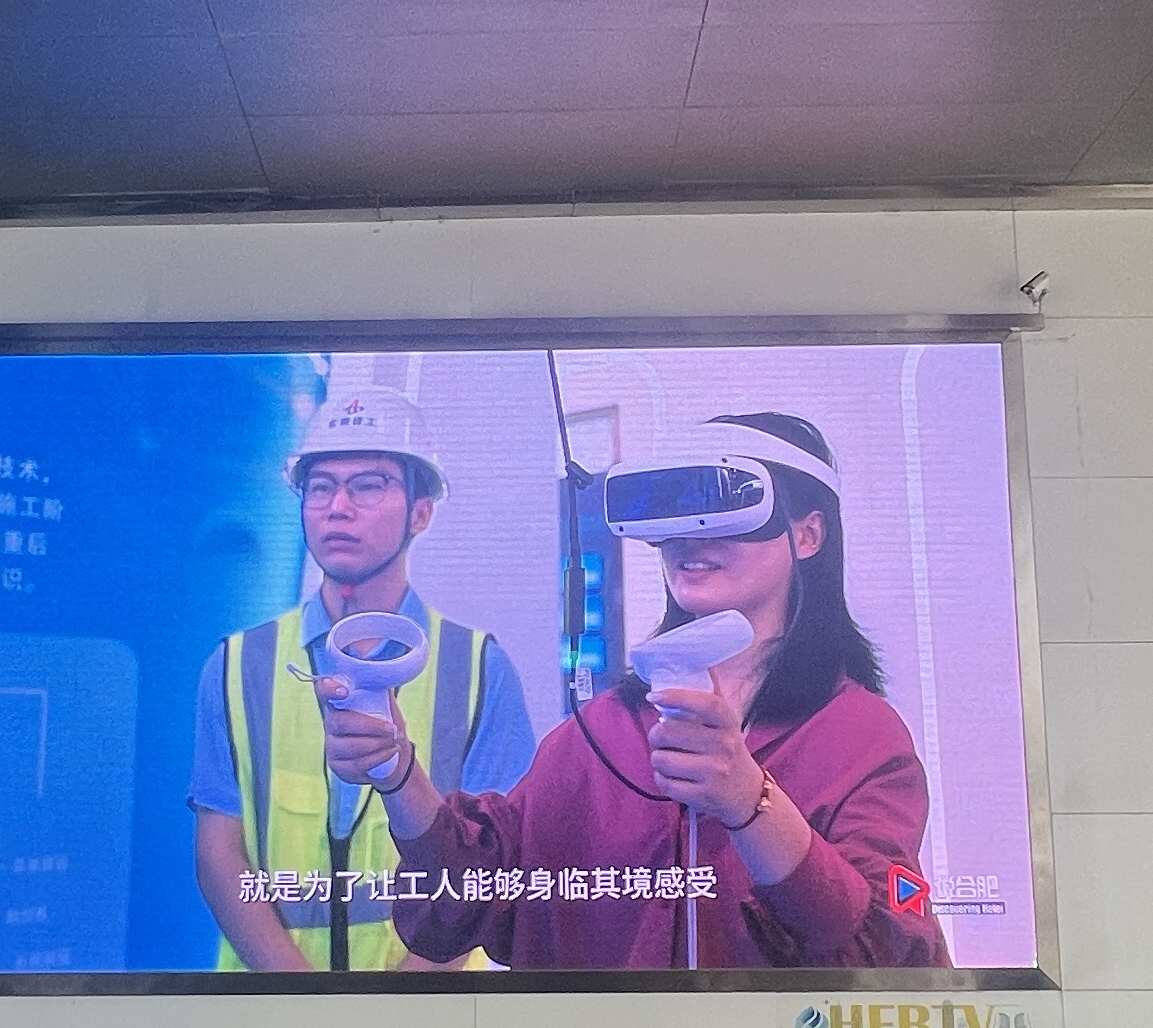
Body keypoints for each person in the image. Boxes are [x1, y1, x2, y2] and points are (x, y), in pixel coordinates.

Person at [350, 412, 951, 971]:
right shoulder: (602, 734)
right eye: (674, 512)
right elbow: (460, 906)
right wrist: (398, 773)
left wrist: (750, 802)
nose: (691, 538)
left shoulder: (859, 736)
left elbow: (884, 955)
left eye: (725, 505)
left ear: (808, 534)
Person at [193, 383, 536, 971]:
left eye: (369, 485)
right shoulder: (235, 664)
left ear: (421, 512)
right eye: (320, 487)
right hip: (270, 1009)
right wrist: (304, 998)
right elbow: (219, 853)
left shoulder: (480, 666)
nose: (338, 507)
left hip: (434, 1012)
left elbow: (499, 864)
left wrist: (400, 1006)